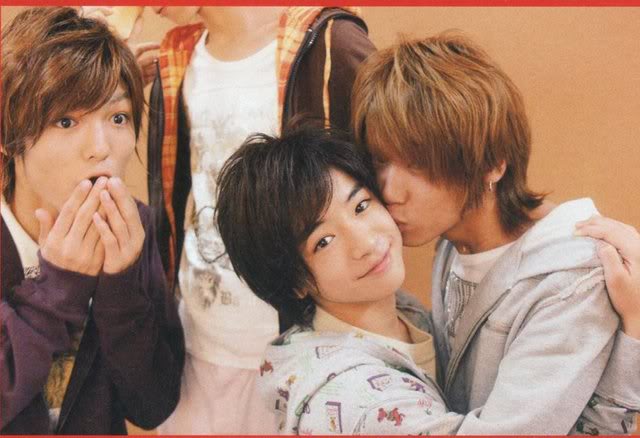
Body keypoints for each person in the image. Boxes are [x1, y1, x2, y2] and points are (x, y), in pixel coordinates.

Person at [215, 125, 639, 435]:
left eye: (361, 206)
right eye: (323, 241)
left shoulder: (410, 314)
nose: (365, 242)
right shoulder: (358, 401)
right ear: (294, 282)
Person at [351, 33, 640, 434]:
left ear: (493, 164)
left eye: (417, 164)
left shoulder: (570, 281)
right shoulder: (451, 241)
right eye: (381, 161)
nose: (389, 191)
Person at [143, 6, 375, 433]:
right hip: (197, 347)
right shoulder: (177, 60)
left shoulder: (329, 43)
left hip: (304, 353)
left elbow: (388, 176)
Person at [0, 7, 184, 434]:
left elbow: (153, 405)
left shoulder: (132, 227)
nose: (100, 148)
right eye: (66, 121)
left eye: (118, 118)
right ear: (8, 138)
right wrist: (58, 288)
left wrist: (121, 284)